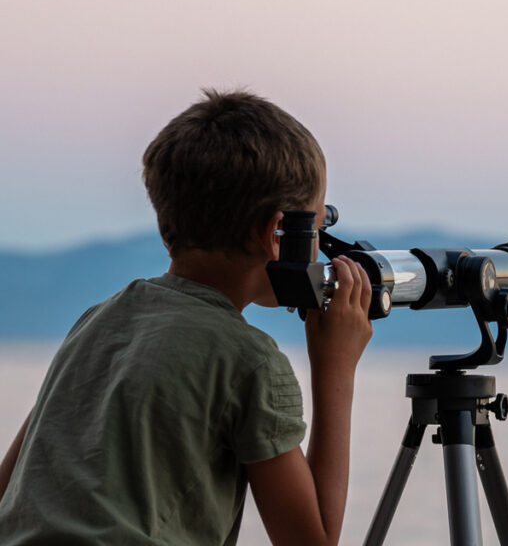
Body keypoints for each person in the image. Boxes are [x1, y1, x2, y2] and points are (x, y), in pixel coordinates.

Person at [0, 89, 373, 546]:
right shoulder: (250, 360)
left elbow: (10, 487)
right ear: (277, 235)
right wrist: (335, 368)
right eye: (317, 228)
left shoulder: (98, 321)